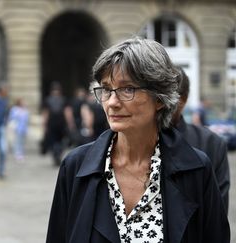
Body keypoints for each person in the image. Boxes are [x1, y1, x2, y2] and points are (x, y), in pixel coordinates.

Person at [46, 37, 229, 243]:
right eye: (106, 89)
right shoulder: (75, 167)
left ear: (159, 98)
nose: (112, 103)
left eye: (128, 89)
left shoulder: (196, 170)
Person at [172, 67, 230, 214]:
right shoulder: (134, 141)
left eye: (169, 96)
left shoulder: (212, 143)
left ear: (183, 100)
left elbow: (217, 215)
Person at [41, 82, 69, 166]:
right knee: (61, 141)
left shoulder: (47, 100)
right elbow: (67, 113)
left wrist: (44, 125)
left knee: (53, 142)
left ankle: (55, 154)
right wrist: (70, 124)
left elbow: (45, 114)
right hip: (61, 124)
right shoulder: (63, 99)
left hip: (51, 124)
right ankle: (58, 154)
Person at [7, 97, 29, 162]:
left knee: (22, 142)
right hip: (17, 128)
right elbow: (11, 117)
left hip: (23, 128)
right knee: (17, 141)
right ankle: (17, 154)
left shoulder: (25, 110)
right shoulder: (14, 109)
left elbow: (26, 119)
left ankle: (21, 153)